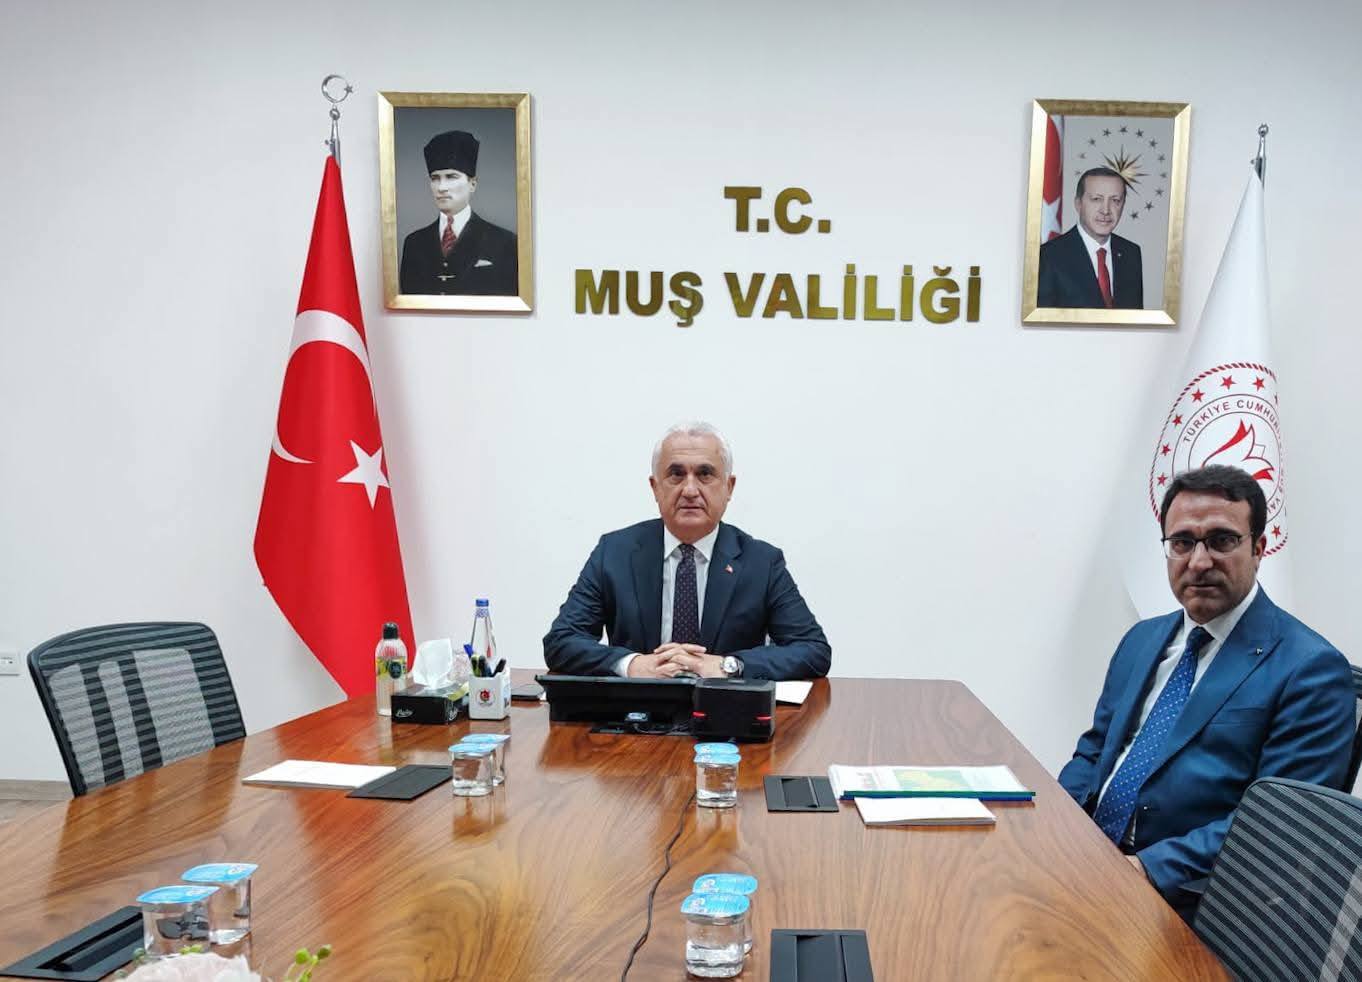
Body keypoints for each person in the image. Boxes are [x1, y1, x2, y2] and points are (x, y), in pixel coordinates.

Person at [1058, 465, 1353, 919]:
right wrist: (1059, 824)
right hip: (1091, 862)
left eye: (1221, 540)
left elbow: (1277, 827)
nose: (1198, 562)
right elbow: (1095, 751)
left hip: (1193, 900)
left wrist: (1142, 869)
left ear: (1258, 548)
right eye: (1182, 542)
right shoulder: (1142, 639)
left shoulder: (1310, 670)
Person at [543, 422, 831, 680]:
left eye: (705, 474)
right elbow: (561, 641)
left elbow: (813, 649)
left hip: (727, 712)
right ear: (655, 488)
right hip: (637, 712)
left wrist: (729, 666)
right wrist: (632, 665)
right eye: (676, 475)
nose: (690, 490)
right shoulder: (615, 553)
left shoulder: (761, 562)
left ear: (729, 487)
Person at [399, 130, 518, 296]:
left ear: (472, 184)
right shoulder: (414, 244)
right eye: (435, 178)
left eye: (451, 177)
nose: (441, 187)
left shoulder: (504, 242)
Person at [1037, 166, 1144, 309]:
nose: (1105, 210)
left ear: (1123, 205)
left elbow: (1134, 318)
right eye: (1096, 199)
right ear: (1078, 204)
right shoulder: (1049, 256)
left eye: (1115, 200)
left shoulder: (1131, 253)